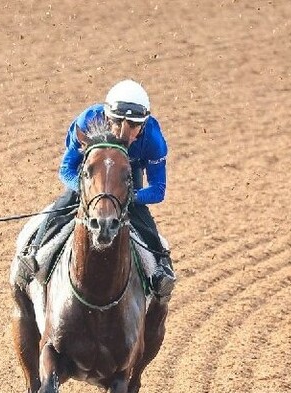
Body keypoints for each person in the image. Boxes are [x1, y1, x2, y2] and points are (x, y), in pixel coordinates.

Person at [23, 79, 176, 302]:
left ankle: (160, 268)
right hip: (91, 173)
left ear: (145, 123)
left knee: (143, 220)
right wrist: (88, 194)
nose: (128, 133)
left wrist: (127, 198)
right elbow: (66, 169)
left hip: (126, 174)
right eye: (119, 123)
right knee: (62, 205)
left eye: (135, 126)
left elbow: (158, 189)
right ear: (106, 117)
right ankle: (35, 252)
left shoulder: (153, 139)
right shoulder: (88, 122)